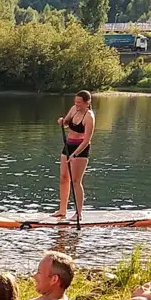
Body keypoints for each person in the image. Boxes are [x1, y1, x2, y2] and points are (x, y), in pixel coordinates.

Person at [53, 90, 95, 222]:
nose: (77, 105)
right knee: (64, 178)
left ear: (87, 103)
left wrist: (75, 154)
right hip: (68, 146)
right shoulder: (73, 109)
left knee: (76, 181)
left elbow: (87, 140)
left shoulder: (89, 117)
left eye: (79, 103)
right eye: (75, 102)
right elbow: (66, 123)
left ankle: (78, 213)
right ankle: (62, 210)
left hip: (81, 149)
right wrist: (62, 121)